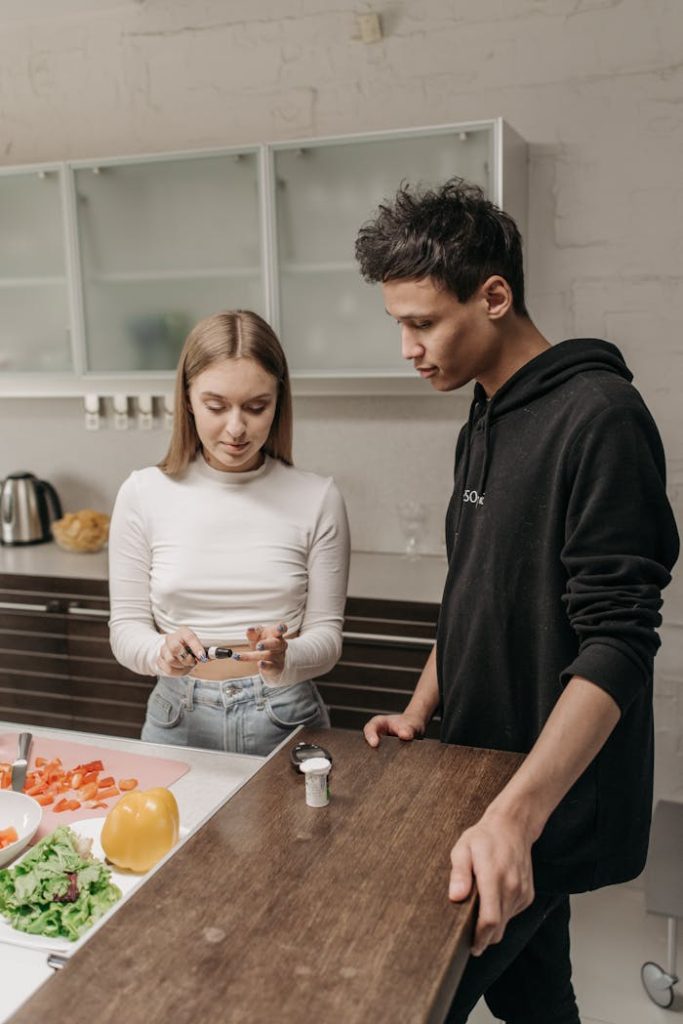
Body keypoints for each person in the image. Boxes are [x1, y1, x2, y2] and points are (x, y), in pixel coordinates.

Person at [355, 179, 679, 1023]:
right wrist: (421, 709)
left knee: (406, 998)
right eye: (398, 324)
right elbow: (470, 590)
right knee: (538, 998)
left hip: (538, 800)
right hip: (478, 775)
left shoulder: (600, 417)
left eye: (421, 322)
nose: (406, 348)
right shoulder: (484, 414)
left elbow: (620, 642)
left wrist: (513, 818)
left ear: (493, 296)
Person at [108, 310, 350, 757]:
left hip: (286, 718)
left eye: (257, 407)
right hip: (177, 718)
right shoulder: (143, 493)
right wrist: (162, 651)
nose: (236, 428)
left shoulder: (318, 498)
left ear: (279, 401)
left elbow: (327, 638)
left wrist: (285, 657)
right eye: (216, 406)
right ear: (187, 401)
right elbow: (125, 630)